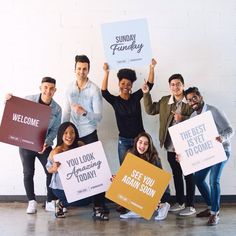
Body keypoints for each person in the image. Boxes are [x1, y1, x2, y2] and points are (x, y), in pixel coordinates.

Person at [5, 77, 62, 214]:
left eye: (51, 88)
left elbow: (55, 130)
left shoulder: (57, 109)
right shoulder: (29, 100)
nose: (48, 91)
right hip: (26, 143)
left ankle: (49, 201)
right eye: (46, 87)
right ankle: (32, 201)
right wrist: (8, 100)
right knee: (28, 172)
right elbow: (14, 112)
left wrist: (47, 142)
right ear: (40, 87)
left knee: (51, 170)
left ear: (55, 90)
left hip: (44, 144)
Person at [142, 74, 196, 216]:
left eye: (178, 84)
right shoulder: (166, 100)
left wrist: (183, 118)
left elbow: (198, 119)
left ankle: (190, 205)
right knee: (176, 174)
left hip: (186, 146)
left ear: (183, 85)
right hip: (170, 145)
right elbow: (150, 110)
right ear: (169, 86)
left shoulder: (190, 100)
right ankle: (180, 202)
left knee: (189, 175)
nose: (175, 87)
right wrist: (146, 93)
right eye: (172, 84)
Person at [62, 55, 108, 220]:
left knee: (96, 171)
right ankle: (64, 203)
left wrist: (84, 112)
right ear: (75, 70)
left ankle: (98, 206)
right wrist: (62, 134)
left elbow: (99, 117)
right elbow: (66, 112)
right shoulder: (69, 88)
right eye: (79, 68)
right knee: (70, 170)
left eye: (85, 69)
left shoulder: (94, 89)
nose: (82, 72)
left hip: (89, 134)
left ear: (88, 70)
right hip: (72, 135)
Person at [184, 87, 234, 225]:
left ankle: (214, 213)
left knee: (213, 180)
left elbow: (229, 129)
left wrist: (222, 138)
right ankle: (210, 206)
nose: (192, 101)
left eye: (194, 97)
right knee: (198, 179)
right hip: (206, 153)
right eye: (189, 100)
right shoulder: (193, 117)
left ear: (200, 97)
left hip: (221, 150)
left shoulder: (213, 111)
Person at [101, 59, 157, 165]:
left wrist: (152, 68)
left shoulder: (136, 97)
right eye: (123, 83)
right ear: (119, 84)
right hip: (124, 141)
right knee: (125, 171)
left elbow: (149, 85)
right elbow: (104, 92)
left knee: (142, 168)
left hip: (140, 140)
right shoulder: (115, 101)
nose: (125, 86)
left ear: (131, 86)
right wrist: (106, 73)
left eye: (128, 84)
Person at [46, 122, 95, 219]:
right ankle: (61, 203)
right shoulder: (56, 151)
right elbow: (48, 169)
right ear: (61, 135)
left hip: (77, 184)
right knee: (79, 200)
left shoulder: (80, 145)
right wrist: (54, 168)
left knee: (89, 199)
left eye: (72, 132)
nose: (69, 135)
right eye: (65, 133)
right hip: (60, 188)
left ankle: (62, 204)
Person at [118, 132, 170, 220]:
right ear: (136, 143)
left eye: (146, 144)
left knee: (152, 193)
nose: (142, 146)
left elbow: (159, 181)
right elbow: (127, 175)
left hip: (159, 190)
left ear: (149, 146)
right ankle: (137, 209)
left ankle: (163, 205)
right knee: (128, 182)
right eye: (140, 142)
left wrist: (155, 198)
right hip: (143, 189)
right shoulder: (130, 154)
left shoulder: (154, 158)